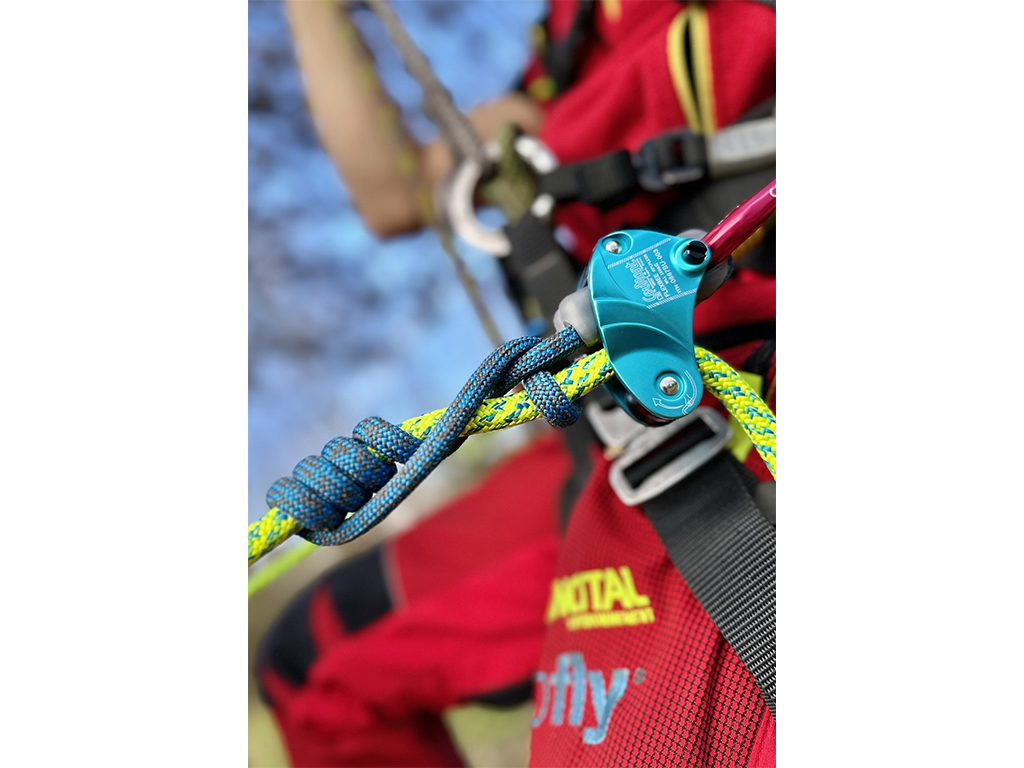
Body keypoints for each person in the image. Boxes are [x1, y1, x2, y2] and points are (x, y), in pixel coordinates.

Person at [256, 1, 776, 765]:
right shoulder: (564, 47)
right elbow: (395, 194)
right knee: (316, 664)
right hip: (616, 427)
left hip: (752, 397)